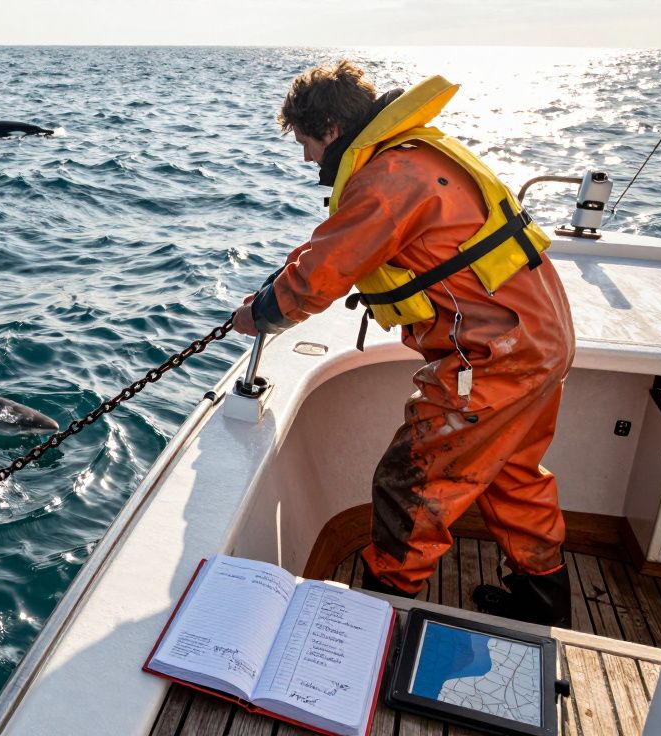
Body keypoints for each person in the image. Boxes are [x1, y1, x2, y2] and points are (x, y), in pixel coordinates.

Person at [232, 60, 576, 627]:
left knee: (409, 481)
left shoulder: (384, 181)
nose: (306, 159)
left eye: (305, 142)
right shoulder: (412, 158)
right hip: (540, 338)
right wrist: (281, 283)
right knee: (512, 472)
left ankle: (383, 613)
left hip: (494, 358)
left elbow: (323, 273)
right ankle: (544, 600)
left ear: (331, 131)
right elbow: (337, 246)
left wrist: (262, 313)